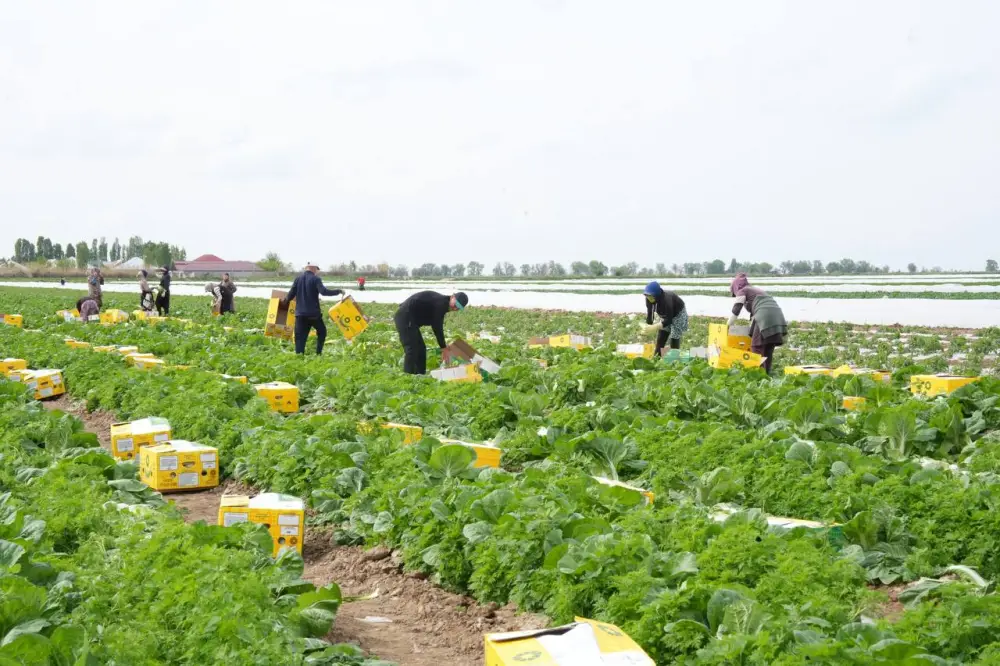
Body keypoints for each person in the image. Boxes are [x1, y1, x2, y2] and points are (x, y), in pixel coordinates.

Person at [394, 291, 469, 375]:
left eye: (458, 308)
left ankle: (420, 375)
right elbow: (437, 326)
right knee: (411, 349)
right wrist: (443, 348)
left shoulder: (442, 303)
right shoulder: (441, 303)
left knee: (421, 349)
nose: (455, 308)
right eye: (456, 305)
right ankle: (407, 376)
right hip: (404, 317)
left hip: (411, 321)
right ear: (452, 297)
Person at [728, 272, 788, 374]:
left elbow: (736, 309)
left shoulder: (742, 290)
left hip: (764, 315)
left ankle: (759, 375)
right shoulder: (756, 290)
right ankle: (766, 374)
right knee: (768, 346)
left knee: (756, 346)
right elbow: (754, 314)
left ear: (735, 287)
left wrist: (727, 326)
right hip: (778, 315)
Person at [282, 263, 343, 355]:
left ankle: (299, 356)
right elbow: (324, 292)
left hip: (300, 315)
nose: (317, 271)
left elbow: (290, 295)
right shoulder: (316, 279)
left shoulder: (298, 279)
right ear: (313, 268)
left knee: (299, 337)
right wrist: (338, 291)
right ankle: (318, 353)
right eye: (317, 269)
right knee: (322, 332)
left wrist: (283, 304)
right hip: (314, 315)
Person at [643, 281, 688, 356]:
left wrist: (655, 327)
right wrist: (647, 327)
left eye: (651, 296)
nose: (649, 298)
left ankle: (675, 359)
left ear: (656, 295)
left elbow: (669, 320)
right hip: (666, 315)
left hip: (678, 314)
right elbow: (650, 314)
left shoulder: (666, 299)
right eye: (647, 296)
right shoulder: (648, 299)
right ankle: (656, 359)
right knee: (661, 337)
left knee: (674, 336)